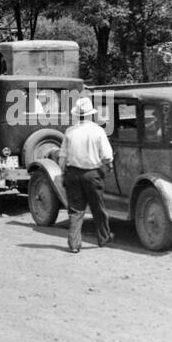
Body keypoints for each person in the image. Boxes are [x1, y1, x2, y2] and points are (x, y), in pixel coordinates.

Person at [59, 95, 114, 253]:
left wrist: (64, 173)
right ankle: (104, 238)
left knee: (76, 210)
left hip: (73, 174)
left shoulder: (70, 132)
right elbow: (107, 156)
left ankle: (74, 245)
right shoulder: (98, 131)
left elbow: (62, 157)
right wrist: (108, 166)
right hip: (92, 175)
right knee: (98, 207)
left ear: (77, 114)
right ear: (91, 114)